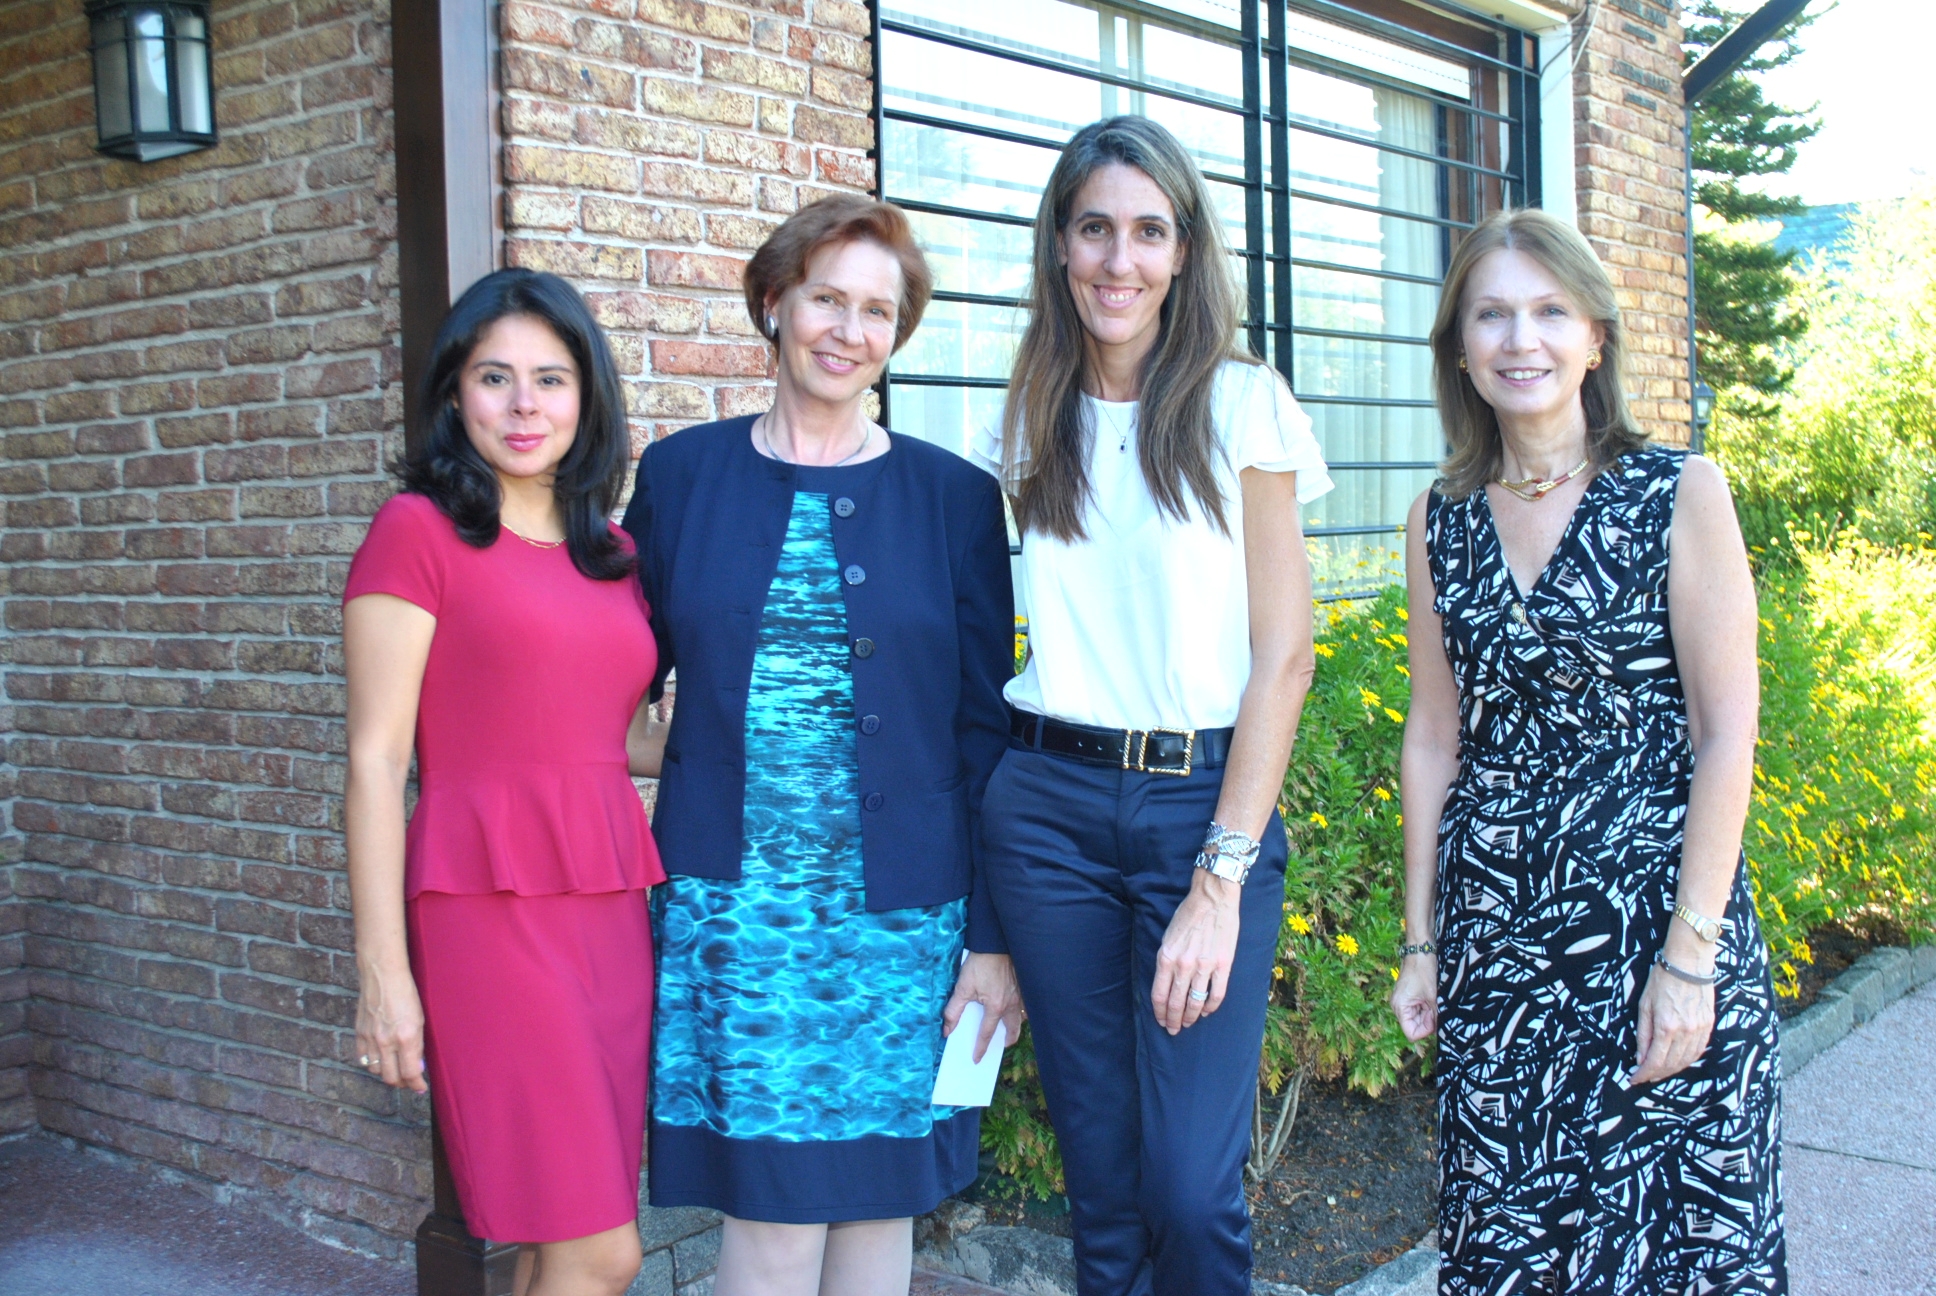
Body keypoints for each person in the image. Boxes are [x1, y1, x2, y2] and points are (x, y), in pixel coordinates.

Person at [620, 194, 1019, 1296]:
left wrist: (991, 941)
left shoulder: (954, 499)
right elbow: (611, 676)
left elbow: (986, 733)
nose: (849, 331)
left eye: (877, 312)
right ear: (773, 303)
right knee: (774, 1227)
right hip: (739, 923)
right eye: (826, 299)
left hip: (904, 924)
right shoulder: (681, 479)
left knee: (880, 1213)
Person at [1388, 208, 1785, 1293]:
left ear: (1596, 337)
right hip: (1499, 948)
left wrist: (1690, 959)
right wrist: (1422, 942)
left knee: (1677, 1250)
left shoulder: (1679, 494)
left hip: (1652, 932)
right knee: (1514, 1248)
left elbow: (1725, 732)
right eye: (1492, 316)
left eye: (1550, 312)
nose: (1521, 340)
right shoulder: (1439, 519)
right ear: (1459, 349)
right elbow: (1433, 737)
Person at [971, 116, 1331, 1296]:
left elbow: (1284, 655)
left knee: (1187, 1185)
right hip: (1047, 814)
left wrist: (1219, 883)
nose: (1117, 260)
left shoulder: (1242, 404)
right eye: (1093, 230)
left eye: (1146, 231)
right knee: (1103, 1176)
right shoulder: (1025, 416)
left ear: (1182, 252)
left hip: (1197, 811)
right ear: (1058, 246)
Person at [343, 268, 664, 1296]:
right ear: (454, 393)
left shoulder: (612, 553)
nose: (525, 406)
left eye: (550, 379)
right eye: (495, 377)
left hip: (608, 909)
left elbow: (612, 740)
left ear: (586, 397)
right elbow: (376, 760)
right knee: (604, 1251)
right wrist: (384, 976)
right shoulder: (418, 532)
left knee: (553, 1238)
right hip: (487, 910)